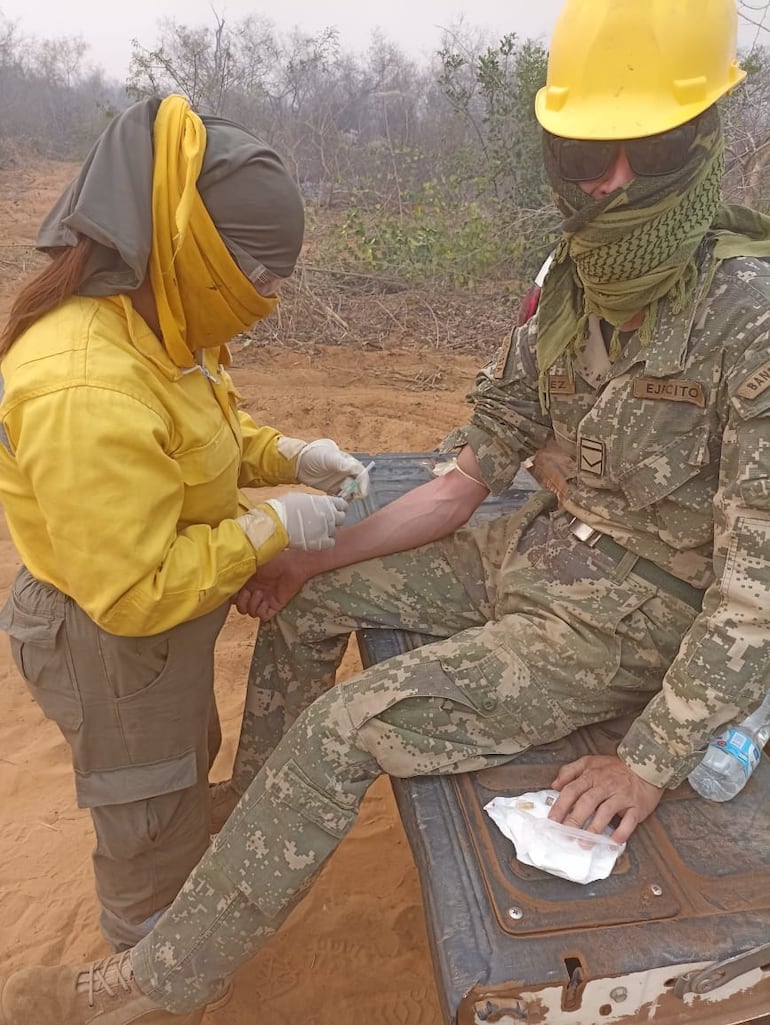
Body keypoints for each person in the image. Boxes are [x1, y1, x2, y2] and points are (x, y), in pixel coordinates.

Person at [2, 0, 770, 1020]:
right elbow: (465, 474)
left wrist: (649, 757)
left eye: (646, 151)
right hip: (535, 550)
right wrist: (305, 560)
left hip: (625, 616)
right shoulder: (570, 282)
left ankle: (147, 989)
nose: (608, 185)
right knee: (310, 598)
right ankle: (262, 821)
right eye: (585, 157)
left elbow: (749, 589)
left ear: (699, 142)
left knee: (344, 727)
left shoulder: (746, 314)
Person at [0, 95, 369, 954]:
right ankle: (146, 954)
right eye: (262, 278)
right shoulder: (85, 384)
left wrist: (288, 456)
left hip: (153, 639)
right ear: (200, 254)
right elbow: (135, 590)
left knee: (179, 758)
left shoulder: (158, 322)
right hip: (110, 639)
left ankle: (171, 886)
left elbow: (202, 435)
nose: (272, 298)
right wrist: (275, 528)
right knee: (145, 799)